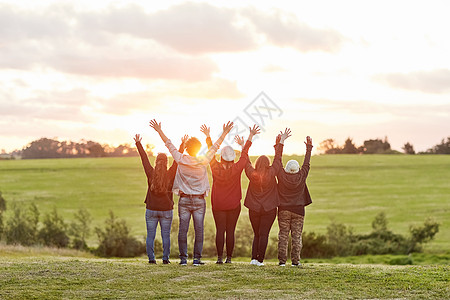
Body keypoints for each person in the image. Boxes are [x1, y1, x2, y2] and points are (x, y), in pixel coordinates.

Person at [149, 119, 233, 266]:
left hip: (184, 200)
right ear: (199, 148)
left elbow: (168, 144)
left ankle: (183, 260)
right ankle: (196, 259)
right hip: (199, 201)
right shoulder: (204, 160)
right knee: (199, 230)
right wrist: (225, 132)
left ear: (187, 148)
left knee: (183, 230)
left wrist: (159, 130)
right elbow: (215, 146)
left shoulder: (180, 158)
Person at [200, 124, 260, 264]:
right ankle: (229, 258)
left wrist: (209, 136)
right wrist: (250, 136)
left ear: (221, 158)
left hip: (218, 205)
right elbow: (244, 154)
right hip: (234, 205)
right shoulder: (237, 168)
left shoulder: (215, 167)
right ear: (233, 158)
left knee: (220, 230)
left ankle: (219, 258)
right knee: (230, 231)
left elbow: (210, 151)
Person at [134, 133, 188, 264]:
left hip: (151, 209)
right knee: (165, 235)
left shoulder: (150, 173)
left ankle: (151, 259)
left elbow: (144, 159)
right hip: (166, 210)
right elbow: (177, 161)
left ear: (156, 162)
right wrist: (182, 145)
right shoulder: (170, 174)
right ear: (166, 162)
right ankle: (165, 259)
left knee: (150, 236)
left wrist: (138, 144)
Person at [244, 128, 291, 266]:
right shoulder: (272, 171)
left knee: (257, 234)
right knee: (264, 234)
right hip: (269, 208)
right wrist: (281, 141)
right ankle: (260, 260)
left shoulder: (251, 173)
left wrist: (250, 137)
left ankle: (253, 259)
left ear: (257, 164)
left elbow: (245, 158)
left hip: (253, 208)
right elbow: (278, 157)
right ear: (267, 164)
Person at [275, 135, 313, 267]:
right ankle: (296, 262)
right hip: (299, 211)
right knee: (297, 237)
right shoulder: (302, 176)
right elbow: (306, 163)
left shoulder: (281, 175)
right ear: (297, 170)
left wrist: (279, 143)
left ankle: (282, 262)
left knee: (283, 236)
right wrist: (308, 148)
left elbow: (277, 161)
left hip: (283, 210)